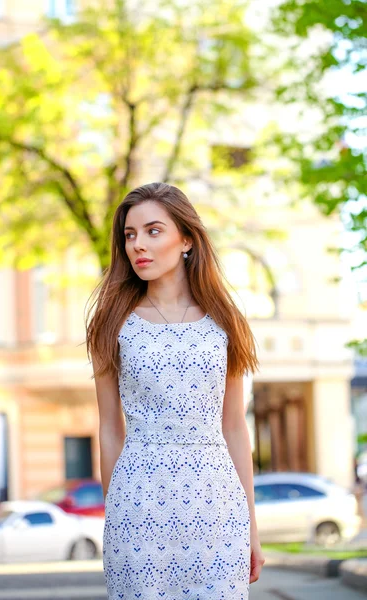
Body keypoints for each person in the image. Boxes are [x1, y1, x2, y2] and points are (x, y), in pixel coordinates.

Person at [86, 182, 265, 599]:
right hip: (139, 508)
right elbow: (111, 429)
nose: (137, 246)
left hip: (217, 508)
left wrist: (252, 527)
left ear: (186, 239)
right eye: (129, 235)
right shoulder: (112, 324)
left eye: (153, 231)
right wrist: (116, 517)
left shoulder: (226, 322)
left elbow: (235, 427)